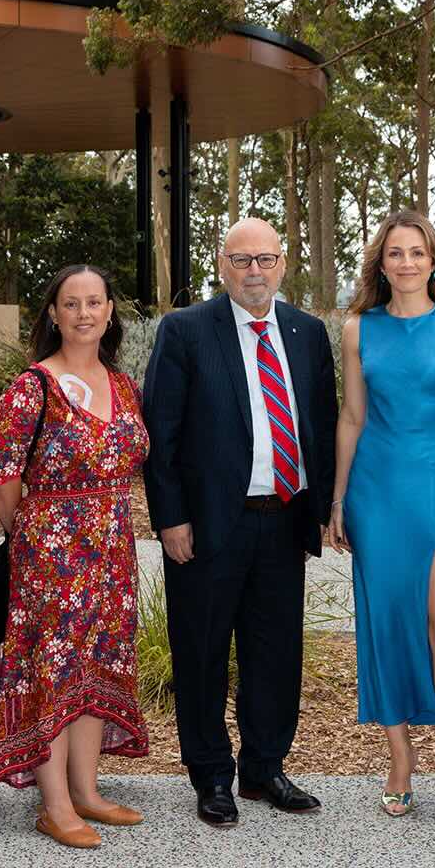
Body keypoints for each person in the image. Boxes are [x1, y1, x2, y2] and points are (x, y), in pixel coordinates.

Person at [142, 218, 339, 828]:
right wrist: (170, 519)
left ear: (283, 264)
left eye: (266, 259)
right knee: (201, 650)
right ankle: (210, 776)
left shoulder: (307, 333)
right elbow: (161, 435)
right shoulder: (185, 330)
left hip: (283, 518)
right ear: (221, 266)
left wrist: (328, 508)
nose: (255, 271)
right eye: (241, 259)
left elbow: (324, 426)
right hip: (207, 526)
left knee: (275, 650)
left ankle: (264, 767)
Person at [328, 211, 435, 837]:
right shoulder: (357, 330)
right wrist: (340, 500)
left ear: (433, 260)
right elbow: (351, 417)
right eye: (395, 253)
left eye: (417, 252)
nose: (406, 263)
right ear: (381, 263)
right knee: (385, 622)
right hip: (375, 492)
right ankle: (400, 758)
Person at [0, 265, 151, 850]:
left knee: (98, 663)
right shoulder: (34, 386)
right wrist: (29, 538)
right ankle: (53, 804)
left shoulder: (124, 385)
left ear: (110, 312)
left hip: (112, 549)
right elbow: (1, 473)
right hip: (50, 552)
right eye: (71, 303)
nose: (84, 313)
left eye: (95, 302)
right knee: (52, 671)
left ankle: (87, 791)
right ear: (53, 314)